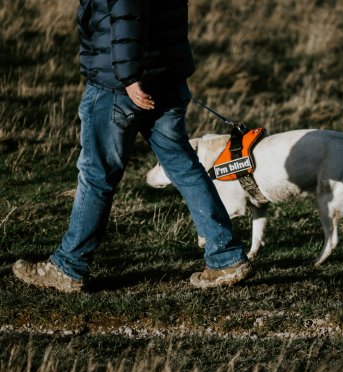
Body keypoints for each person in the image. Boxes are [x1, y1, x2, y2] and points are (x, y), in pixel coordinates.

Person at [12, 0, 251, 292]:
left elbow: (128, 13)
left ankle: (68, 267)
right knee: (185, 167)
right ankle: (226, 257)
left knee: (97, 175)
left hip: (121, 87)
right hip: (166, 78)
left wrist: (129, 78)